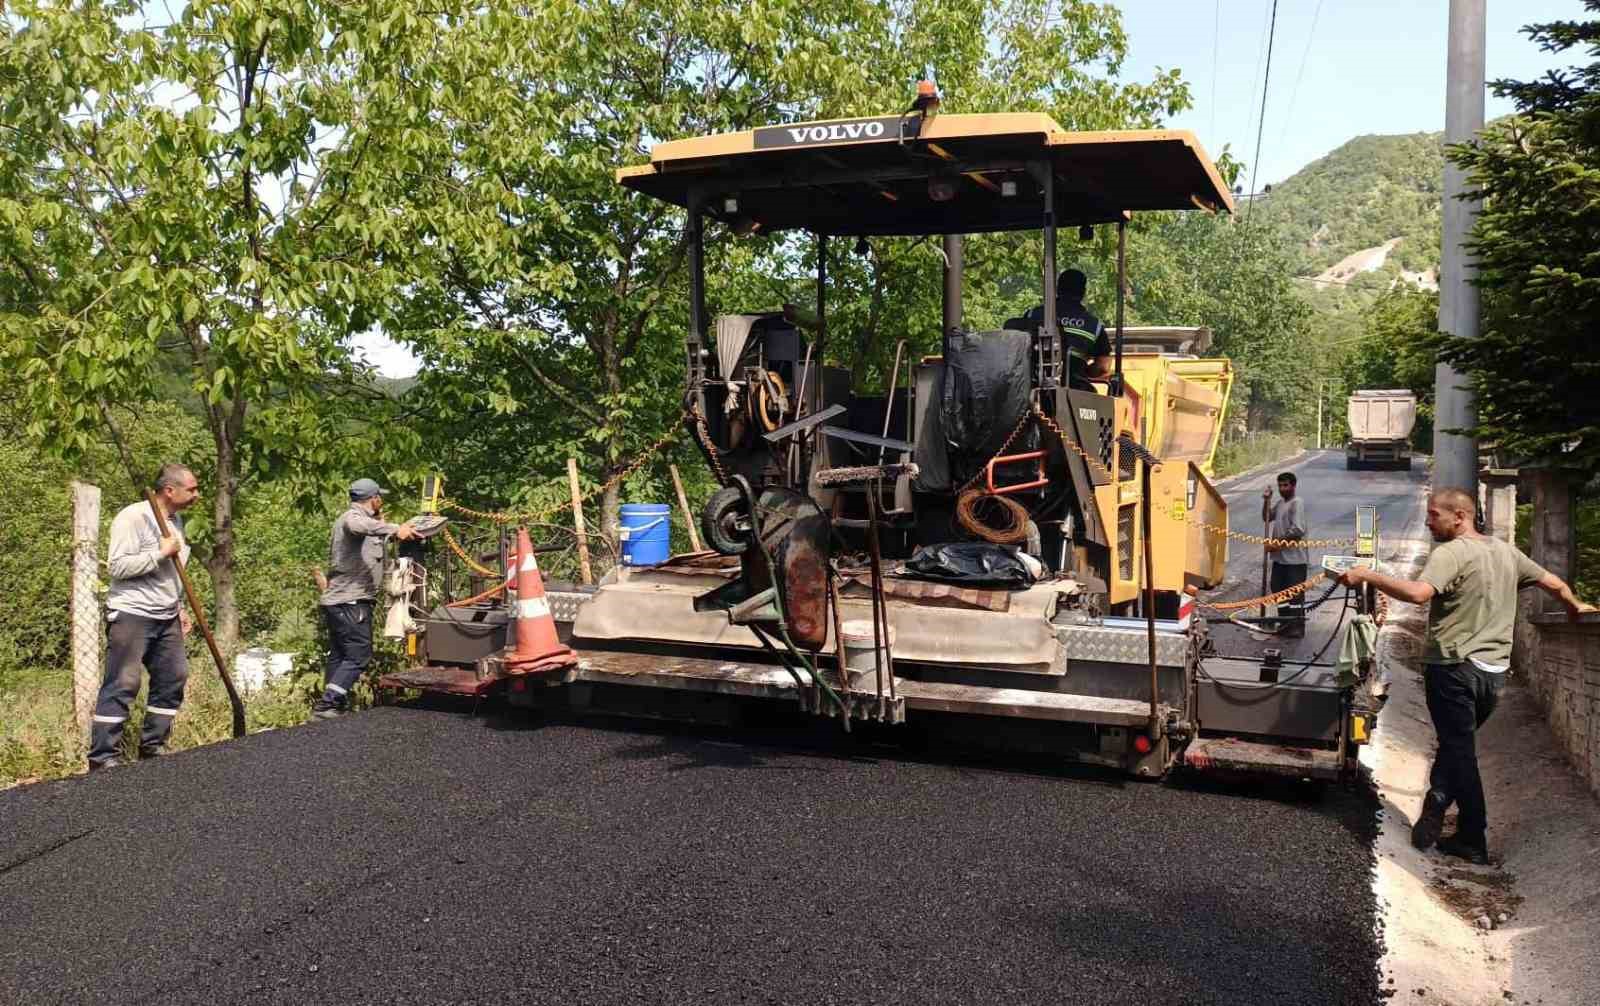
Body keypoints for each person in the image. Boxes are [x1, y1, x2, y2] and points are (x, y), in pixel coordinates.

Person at [1338, 487, 1592, 864]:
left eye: (1434, 514)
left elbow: (1419, 594)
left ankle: (1473, 836)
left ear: (1460, 516)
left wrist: (1367, 575)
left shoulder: (1450, 554)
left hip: (1452, 670)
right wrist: (1575, 607)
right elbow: (1552, 583)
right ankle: (1435, 805)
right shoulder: (1505, 551)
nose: (1428, 521)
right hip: (1493, 675)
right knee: (1456, 747)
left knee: (1461, 752)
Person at [89, 463, 201, 770]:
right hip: (132, 613)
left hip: (166, 615)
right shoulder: (134, 517)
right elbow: (118, 567)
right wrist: (160, 553)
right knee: (123, 683)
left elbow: (171, 576)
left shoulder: (175, 521)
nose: (197, 495)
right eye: (191, 489)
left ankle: (153, 748)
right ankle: (103, 758)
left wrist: (179, 607)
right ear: (169, 490)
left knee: (173, 677)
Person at [313, 479, 416, 719]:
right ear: (374, 499)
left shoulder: (368, 523)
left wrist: (393, 527)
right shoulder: (351, 518)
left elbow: (369, 534)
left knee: (340, 654)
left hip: (342, 601)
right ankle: (328, 704)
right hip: (350, 600)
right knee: (359, 654)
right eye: (380, 498)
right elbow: (357, 525)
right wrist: (393, 528)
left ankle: (331, 707)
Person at [1021, 268, 1113, 390]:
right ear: (1083, 292)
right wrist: (1082, 372)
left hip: (1032, 386)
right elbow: (1103, 367)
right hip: (1075, 387)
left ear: (1058, 288)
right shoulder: (1094, 325)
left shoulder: (1033, 314)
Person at [1262, 472, 1308, 638]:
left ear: (1293, 486)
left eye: (1286, 485)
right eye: (1280, 485)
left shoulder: (1297, 503)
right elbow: (1266, 517)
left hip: (1295, 560)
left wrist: (1276, 544)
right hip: (1280, 560)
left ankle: (1296, 627)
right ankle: (1284, 623)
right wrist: (1267, 500)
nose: (1283, 489)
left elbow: (1297, 531)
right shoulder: (1281, 503)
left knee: (1294, 594)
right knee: (1278, 589)